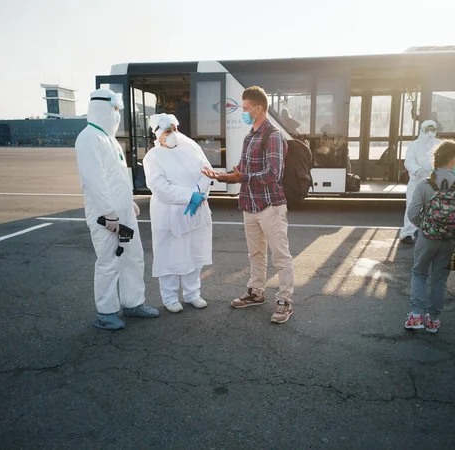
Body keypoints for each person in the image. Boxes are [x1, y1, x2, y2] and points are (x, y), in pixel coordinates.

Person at [201, 86, 295, 324]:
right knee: (256, 253)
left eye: (244, 108)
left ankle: (285, 301)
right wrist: (221, 176)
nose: (242, 112)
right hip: (250, 205)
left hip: (270, 206)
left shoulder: (273, 136)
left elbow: (273, 173)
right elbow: (241, 171)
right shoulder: (249, 136)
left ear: (258, 108)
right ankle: (256, 292)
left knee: (280, 256)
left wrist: (242, 178)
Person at [75, 89, 159, 330]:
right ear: (101, 109)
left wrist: (129, 202)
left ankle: (133, 303)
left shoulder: (109, 140)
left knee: (133, 258)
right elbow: (94, 180)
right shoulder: (89, 138)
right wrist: (108, 213)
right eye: (115, 109)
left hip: (123, 214)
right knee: (109, 263)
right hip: (106, 219)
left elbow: (117, 178)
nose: (117, 115)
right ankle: (107, 312)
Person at [142, 114, 213, 313]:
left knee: (193, 253)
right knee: (170, 254)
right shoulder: (153, 157)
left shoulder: (191, 148)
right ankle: (170, 297)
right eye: (167, 131)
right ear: (157, 135)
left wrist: (200, 193)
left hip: (195, 211)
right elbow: (159, 187)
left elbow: (207, 172)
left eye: (174, 129)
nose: (173, 134)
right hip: (169, 213)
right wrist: (188, 195)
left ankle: (193, 294)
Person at [404, 141, 455, 333]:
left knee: (419, 273)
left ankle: (416, 316)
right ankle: (433, 320)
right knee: (440, 280)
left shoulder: (425, 184)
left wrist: (425, 227)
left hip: (427, 238)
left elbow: (413, 212)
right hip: (450, 240)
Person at [400, 120, 442, 244]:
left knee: (434, 207)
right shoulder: (414, 145)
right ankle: (408, 233)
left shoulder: (440, 144)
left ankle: (433, 232)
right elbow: (409, 161)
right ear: (422, 130)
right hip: (416, 182)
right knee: (413, 207)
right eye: (427, 130)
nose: (430, 133)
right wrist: (417, 170)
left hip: (435, 182)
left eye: (432, 130)